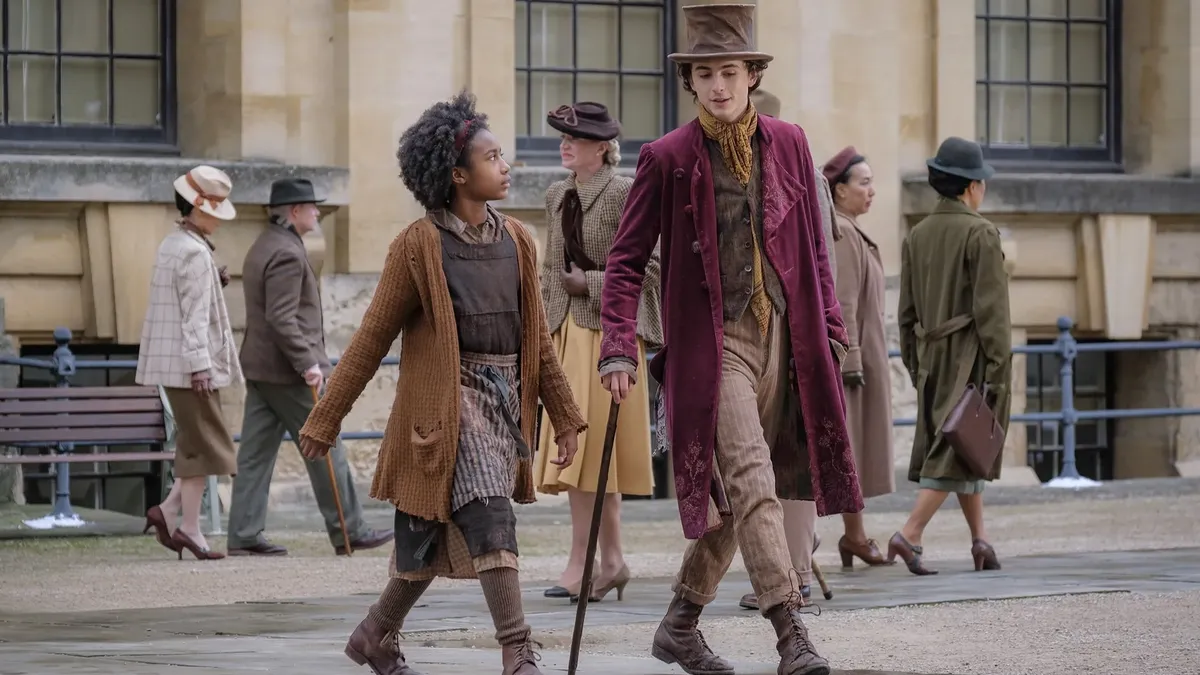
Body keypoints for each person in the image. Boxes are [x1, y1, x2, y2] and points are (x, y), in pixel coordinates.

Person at [598, 6, 864, 675]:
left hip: (788, 340)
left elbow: (814, 248)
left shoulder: (791, 143)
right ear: (690, 81)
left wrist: (833, 330)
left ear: (752, 75)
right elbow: (625, 262)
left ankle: (678, 624)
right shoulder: (667, 157)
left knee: (740, 499)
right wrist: (618, 345)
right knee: (753, 480)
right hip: (714, 348)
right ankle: (790, 632)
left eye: (730, 71)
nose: (718, 85)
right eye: (705, 73)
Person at [298, 91, 586, 675]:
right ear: (457, 175)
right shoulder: (418, 246)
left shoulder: (517, 240)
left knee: (424, 540)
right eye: (492, 157)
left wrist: (565, 416)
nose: (506, 165)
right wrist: (325, 420)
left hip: (505, 402)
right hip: (448, 405)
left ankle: (374, 634)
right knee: (490, 514)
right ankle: (517, 649)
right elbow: (370, 339)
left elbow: (536, 339)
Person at [533, 101, 661, 604]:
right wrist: (540, 333)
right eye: (563, 137)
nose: (565, 144)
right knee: (581, 453)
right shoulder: (555, 195)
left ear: (603, 148)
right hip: (565, 335)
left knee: (592, 453)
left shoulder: (626, 192)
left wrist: (590, 282)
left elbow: (651, 269)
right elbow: (548, 272)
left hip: (611, 338)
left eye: (577, 138)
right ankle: (610, 562)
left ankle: (583, 563)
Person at [226, 178, 393, 557]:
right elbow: (282, 318)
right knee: (325, 443)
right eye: (312, 207)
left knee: (254, 454)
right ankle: (350, 530)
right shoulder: (286, 252)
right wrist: (308, 364)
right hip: (288, 373)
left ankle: (243, 534)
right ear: (295, 211)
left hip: (263, 370)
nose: (318, 212)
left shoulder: (264, 244)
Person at [733, 88, 841, 613]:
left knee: (794, 454)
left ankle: (794, 571)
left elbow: (822, 261)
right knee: (753, 455)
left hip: (798, 329)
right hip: (749, 331)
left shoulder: (802, 171)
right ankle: (782, 566)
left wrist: (824, 332)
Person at [890, 136, 1011, 576]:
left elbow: (906, 314)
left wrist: (916, 364)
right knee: (955, 446)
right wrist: (999, 375)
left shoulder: (917, 234)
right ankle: (910, 534)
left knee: (965, 443)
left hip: (930, 358)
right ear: (971, 186)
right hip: (969, 359)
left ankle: (981, 540)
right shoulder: (981, 233)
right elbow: (993, 317)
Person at [137, 165, 242, 562]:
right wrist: (200, 365)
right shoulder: (195, 253)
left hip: (172, 362)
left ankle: (170, 513)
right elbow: (193, 318)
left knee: (196, 444)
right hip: (189, 366)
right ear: (197, 209)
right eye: (213, 210)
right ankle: (188, 526)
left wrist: (213, 280)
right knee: (204, 447)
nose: (218, 219)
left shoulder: (175, 243)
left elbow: (179, 300)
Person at [824, 147, 897, 568]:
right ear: (840, 190)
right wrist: (851, 360)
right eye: (863, 183)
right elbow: (844, 300)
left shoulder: (852, 231)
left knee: (853, 450)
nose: (871, 191)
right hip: (855, 362)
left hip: (864, 355)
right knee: (848, 449)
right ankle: (851, 536)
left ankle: (854, 535)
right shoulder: (844, 234)